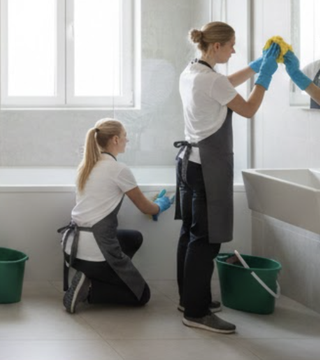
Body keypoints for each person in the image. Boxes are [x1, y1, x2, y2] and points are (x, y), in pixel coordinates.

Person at [175, 21, 278, 334]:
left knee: (190, 234)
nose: (234, 50)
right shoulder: (212, 80)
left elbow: (222, 86)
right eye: (232, 45)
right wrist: (264, 78)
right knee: (206, 239)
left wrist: (252, 67)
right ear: (216, 46)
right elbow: (246, 109)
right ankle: (196, 311)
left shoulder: (192, 71)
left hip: (188, 164)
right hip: (208, 166)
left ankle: (189, 299)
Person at [58, 119, 173, 314]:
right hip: (95, 251)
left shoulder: (85, 166)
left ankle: (94, 276)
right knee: (142, 295)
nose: (127, 141)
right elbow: (146, 208)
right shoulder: (118, 169)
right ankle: (91, 289)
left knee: (133, 238)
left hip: (72, 250)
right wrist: (161, 205)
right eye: (125, 137)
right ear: (116, 139)